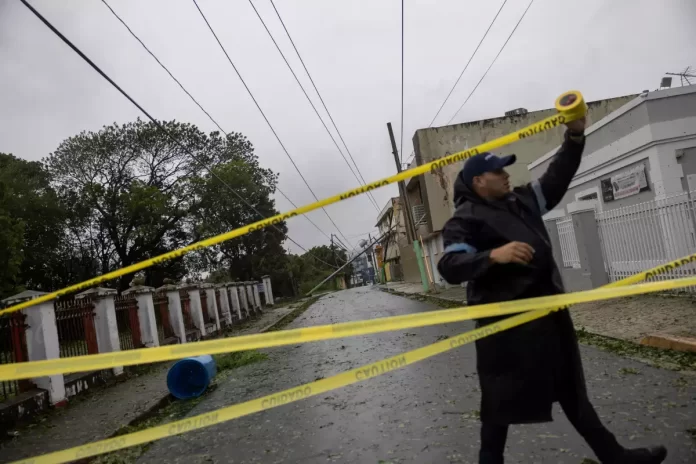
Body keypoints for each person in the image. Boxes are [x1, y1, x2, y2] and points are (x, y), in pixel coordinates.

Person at [437, 118, 667, 464]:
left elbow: (556, 178)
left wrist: (574, 137)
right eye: (498, 172)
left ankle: (617, 457)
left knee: (573, 395)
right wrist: (493, 256)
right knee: (498, 409)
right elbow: (449, 268)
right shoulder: (464, 219)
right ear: (478, 181)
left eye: (505, 170)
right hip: (507, 332)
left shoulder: (523, 201)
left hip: (549, 320)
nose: (505, 175)